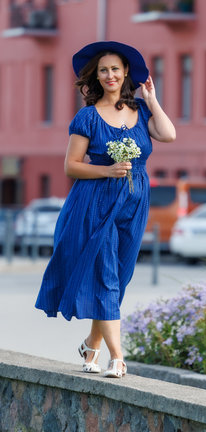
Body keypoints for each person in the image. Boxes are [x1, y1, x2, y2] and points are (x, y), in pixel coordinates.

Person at [35, 41, 176, 378]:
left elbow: (168, 134)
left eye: (115, 68)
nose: (110, 75)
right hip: (95, 202)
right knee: (106, 276)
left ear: (125, 71)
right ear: (95, 77)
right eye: (103, 70)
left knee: (119, 276)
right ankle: (118, 356)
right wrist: (107, 171)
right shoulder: (87, 116)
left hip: (134, 200)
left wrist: (152, 99)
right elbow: (71, 166)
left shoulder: (141, 112)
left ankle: (90, 345)